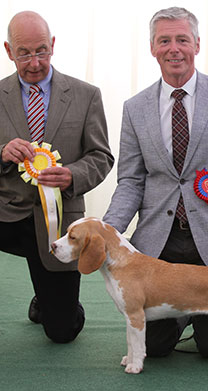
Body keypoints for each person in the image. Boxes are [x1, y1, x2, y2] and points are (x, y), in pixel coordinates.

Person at [104, 7, 208, 359]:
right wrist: (108, 231)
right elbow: (130, 180)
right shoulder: (134, 108)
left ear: (197, 44)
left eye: (182, 39)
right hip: (157, 243)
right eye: (165, 40)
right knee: (158, 349)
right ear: (152, 48)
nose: (174, 48)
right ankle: (181, 311)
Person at [0, 11, 114, 343]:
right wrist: (2, 152)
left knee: (62, 331)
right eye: (24, 53)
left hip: (58, 220)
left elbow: (101, 157)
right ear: (9, 51)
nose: (34, 62)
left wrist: (71, 175)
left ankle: (49, 301)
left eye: (41, 51)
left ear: (52, 46)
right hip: (5, 212)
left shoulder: (86, 95)